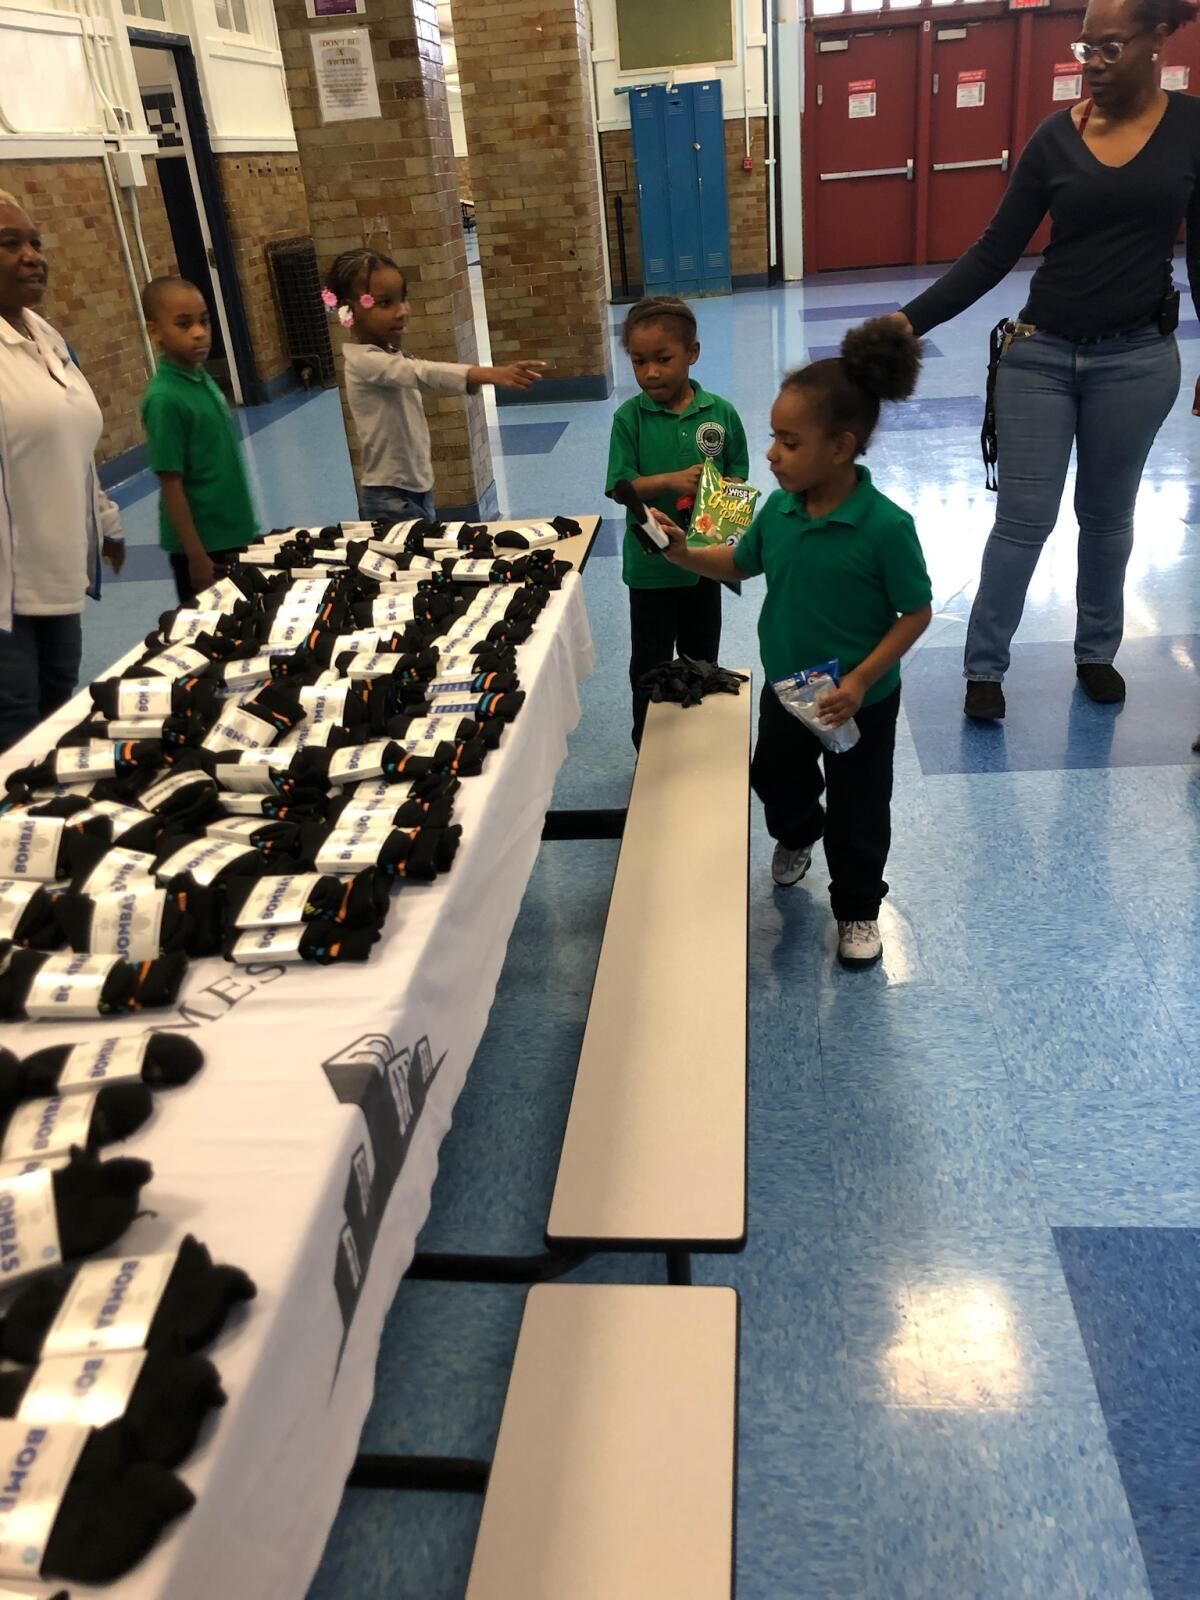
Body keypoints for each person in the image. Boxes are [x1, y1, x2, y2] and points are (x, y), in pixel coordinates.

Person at [892, 0, 1200, 722]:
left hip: (1138, 360)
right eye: (1084, 46)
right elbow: (996, 250)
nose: (1090, 63)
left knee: (1108, 514)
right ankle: (984, 668)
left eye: (1109, 47)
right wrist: (908, 322)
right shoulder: (1053, 140)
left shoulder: (1191, 128)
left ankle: (1096, 652)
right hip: (1041, 356)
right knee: (1024, 518)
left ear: (1158, 38)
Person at [650, 321, 932, 970]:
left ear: (841, 447)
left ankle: (858, 908)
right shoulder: (777, 512)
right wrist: (684, 551)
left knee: (861, 810)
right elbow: (739, 564)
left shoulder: (886, 527)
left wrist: (860, 681)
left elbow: (915, 613)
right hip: (788, 688)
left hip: (858, 700)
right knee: (775, 780)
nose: (772, 454)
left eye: (788, 441)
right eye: (774, 437)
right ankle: (800, 831)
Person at [0, 189, 125, 753]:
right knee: (16, 728)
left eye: (35, 242)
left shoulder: (46, 337)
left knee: (59, 710)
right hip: (5, 592)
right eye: (9, 244)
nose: (32, 255)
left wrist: (107, 520)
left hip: (58, 573)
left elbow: (75, 441)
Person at [606, 295, 750, 747]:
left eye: (663, 359)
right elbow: (619, 486)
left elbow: (738, 473)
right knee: (649, 664)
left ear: (693, 353)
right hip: (650, 572)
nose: (650, 372)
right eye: (639, 361)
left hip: (704, 567)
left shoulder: (720, 413)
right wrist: (670, 479)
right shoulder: (629, 418)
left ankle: (697, 741)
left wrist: (720, 501)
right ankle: (648, 746)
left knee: (701, 657)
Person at [323, 249, 547, 525]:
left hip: (416, 491)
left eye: (402, 299)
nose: (401, 311)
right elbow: (422, 374)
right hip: (389, 498)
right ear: (349, 309)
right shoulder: (363, 362)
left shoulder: (389, 355)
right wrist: (489, 373)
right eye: (385, 303)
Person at [140, 276, 258, 607]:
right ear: (156, 332)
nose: (199, 332)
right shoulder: (165, 398)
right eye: (183, 324)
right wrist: (196, 556)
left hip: (233, 533)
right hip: (205, 548)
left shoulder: (199, 376)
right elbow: (171, 484)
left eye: (204, 321)